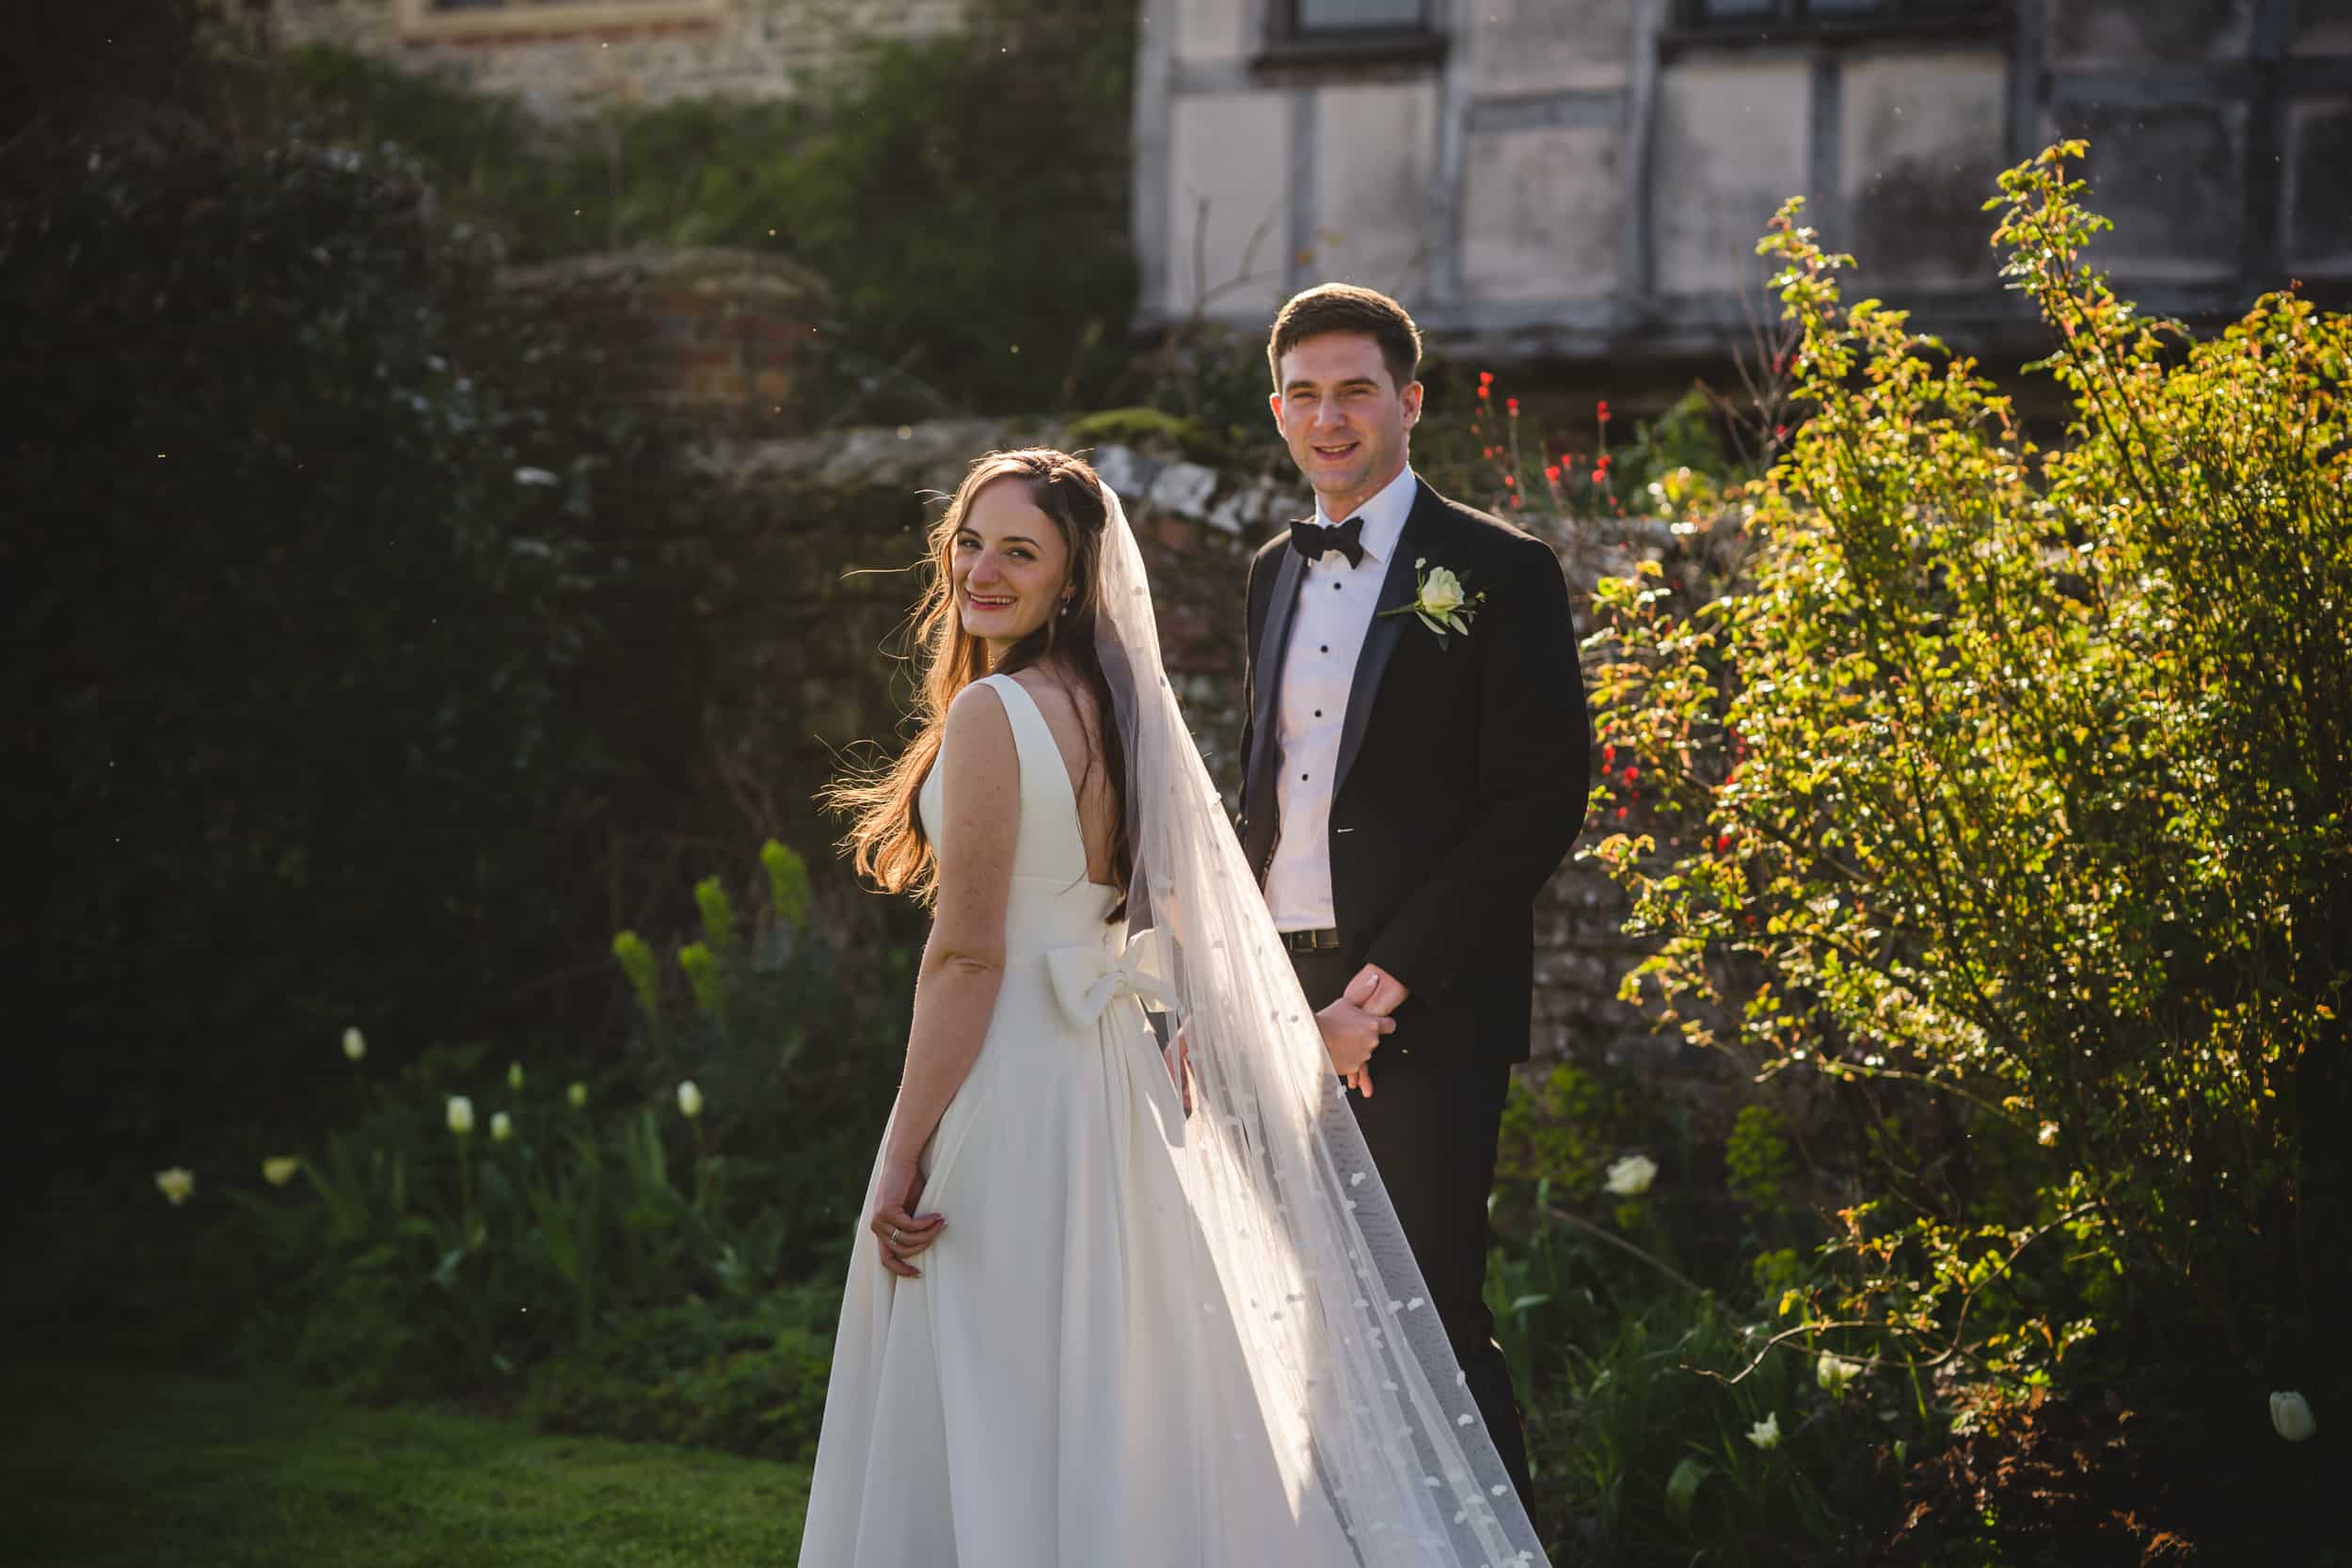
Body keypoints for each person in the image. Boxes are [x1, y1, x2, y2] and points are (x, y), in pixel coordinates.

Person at [800, 449, 1551, 1567]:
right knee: (1117, 1380)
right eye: (968, 540)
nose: (982, 569)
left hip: (1016, 1083)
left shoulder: (996, 711)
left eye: (1020, 551)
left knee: (1001, 1373)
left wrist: (904, 1148)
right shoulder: (1118, 715)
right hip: (1111, 1081)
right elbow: (1184, 908)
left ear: (1071, 576)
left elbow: (966, 957)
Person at [1241, 283, 1594, 1505]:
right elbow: (1267, 796)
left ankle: (1486, 1545)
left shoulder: (1501, 568)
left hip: (1426, 1005)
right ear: (1278, 407)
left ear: (1410, 401)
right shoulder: (1267, 575)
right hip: (1278, 987)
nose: (1328, 416)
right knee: (1299, 1293)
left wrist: (1381, 986)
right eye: (1305, 392)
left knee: (1430, 1296)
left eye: (1354, 389)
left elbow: (1540, 798)